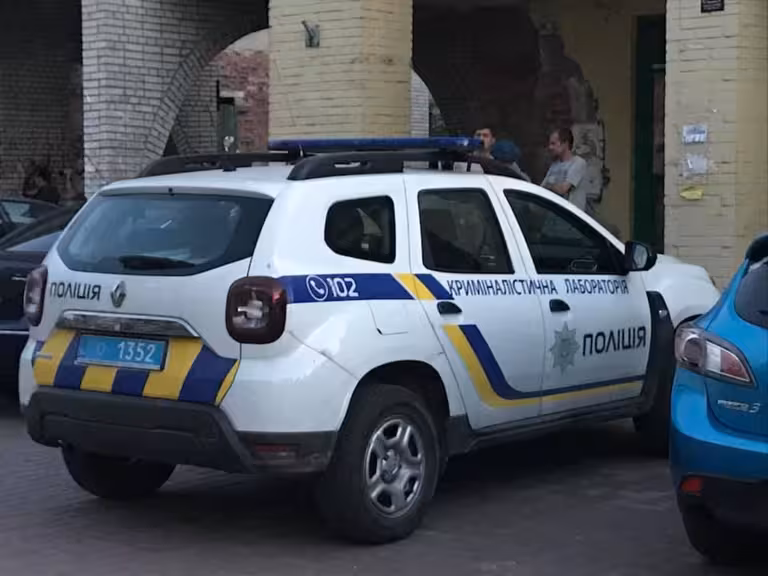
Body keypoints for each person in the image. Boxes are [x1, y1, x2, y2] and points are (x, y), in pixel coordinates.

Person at [541, 127, 588, 211]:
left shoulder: (578, 163)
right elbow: (541, 188)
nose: (550, 147)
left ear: (565, 144)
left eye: (553, 144)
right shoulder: (554, 165)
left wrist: (549, 186)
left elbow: (563, 189)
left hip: (570, 215)